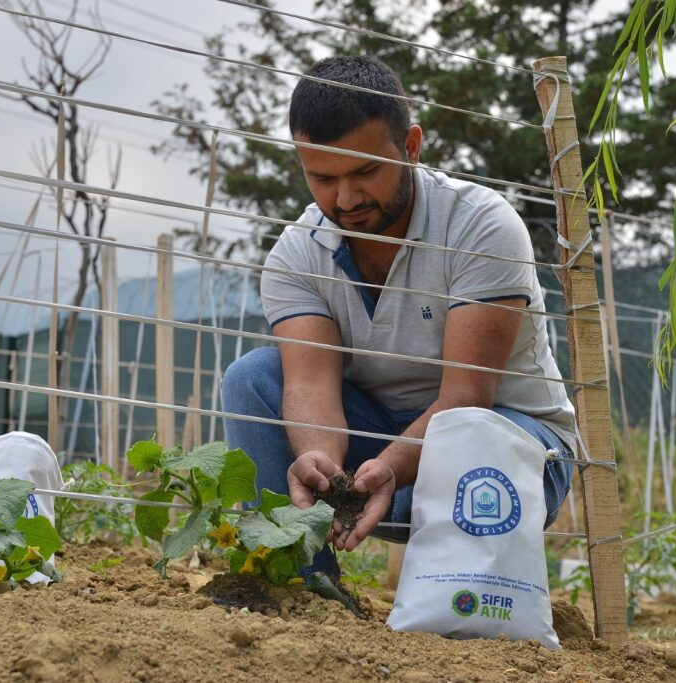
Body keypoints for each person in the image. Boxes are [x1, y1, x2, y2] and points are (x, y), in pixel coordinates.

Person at [221, 55, 577, 576]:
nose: (345, 199)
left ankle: (459, 597)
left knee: (478, 438)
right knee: (252, 378)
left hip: (505, 450)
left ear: (411, 146)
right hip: (377, 458)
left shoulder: (479, 225)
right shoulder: (297, 255)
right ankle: (301, 585)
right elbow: (310, 385)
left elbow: (466, 399)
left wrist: (389, 468)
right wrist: (321, 461)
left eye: (365, 172)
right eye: (321, 178)